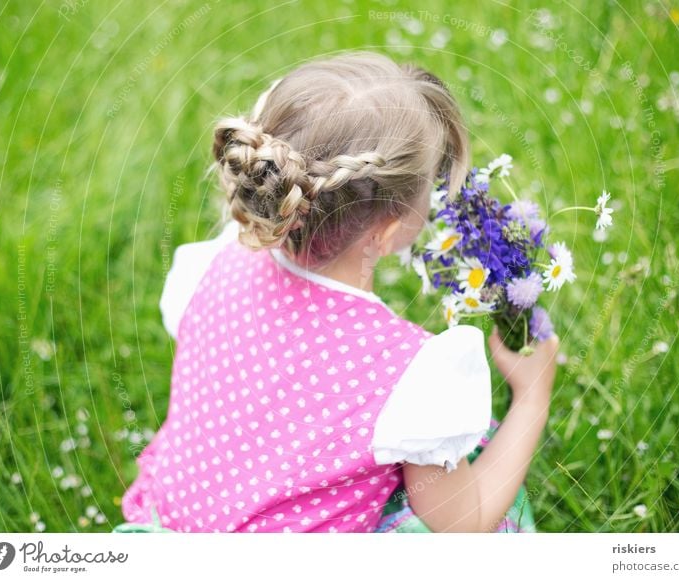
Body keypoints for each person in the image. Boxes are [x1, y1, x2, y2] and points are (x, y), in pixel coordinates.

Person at [116, 51, 558, 533]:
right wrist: (533, 396)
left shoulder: (212, 265)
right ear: (388, 232)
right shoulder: (409, 374)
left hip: (173, 534)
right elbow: (464, 525)